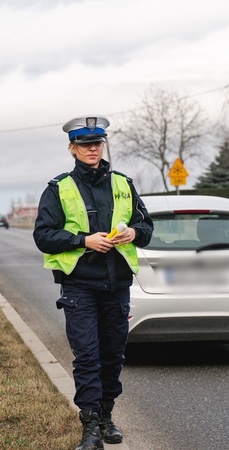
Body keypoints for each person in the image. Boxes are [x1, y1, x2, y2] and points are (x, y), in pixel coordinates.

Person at [33, 115, 154, 450]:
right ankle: (89, 427)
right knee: (87, 356)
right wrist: (83, 241)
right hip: (80, 286)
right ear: (72, 148)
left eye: (97, 143)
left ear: (103, 145)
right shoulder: (58, 188)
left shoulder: (123, 183)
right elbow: (43, 236)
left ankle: (106, 417)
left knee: (112, 355)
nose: (92, 149)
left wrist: (133, 232)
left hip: (117, 286)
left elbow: (146, 229)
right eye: (85, 144)